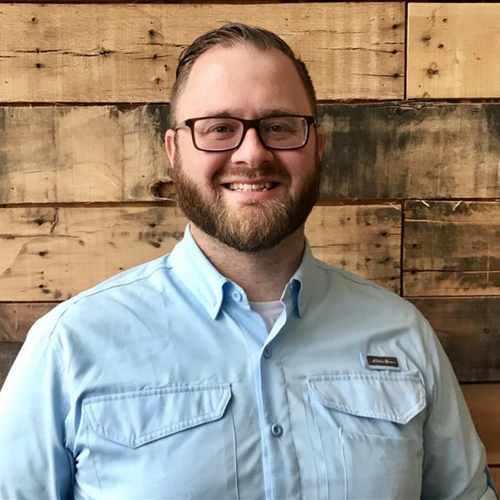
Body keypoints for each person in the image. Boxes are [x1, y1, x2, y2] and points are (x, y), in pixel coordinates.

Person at [0, 23, 497, 500]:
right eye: (219, 128)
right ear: (174, 151)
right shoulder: (70, 346)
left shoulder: (401, 333)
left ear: (318, 147)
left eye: (279, 126)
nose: (252, 154)